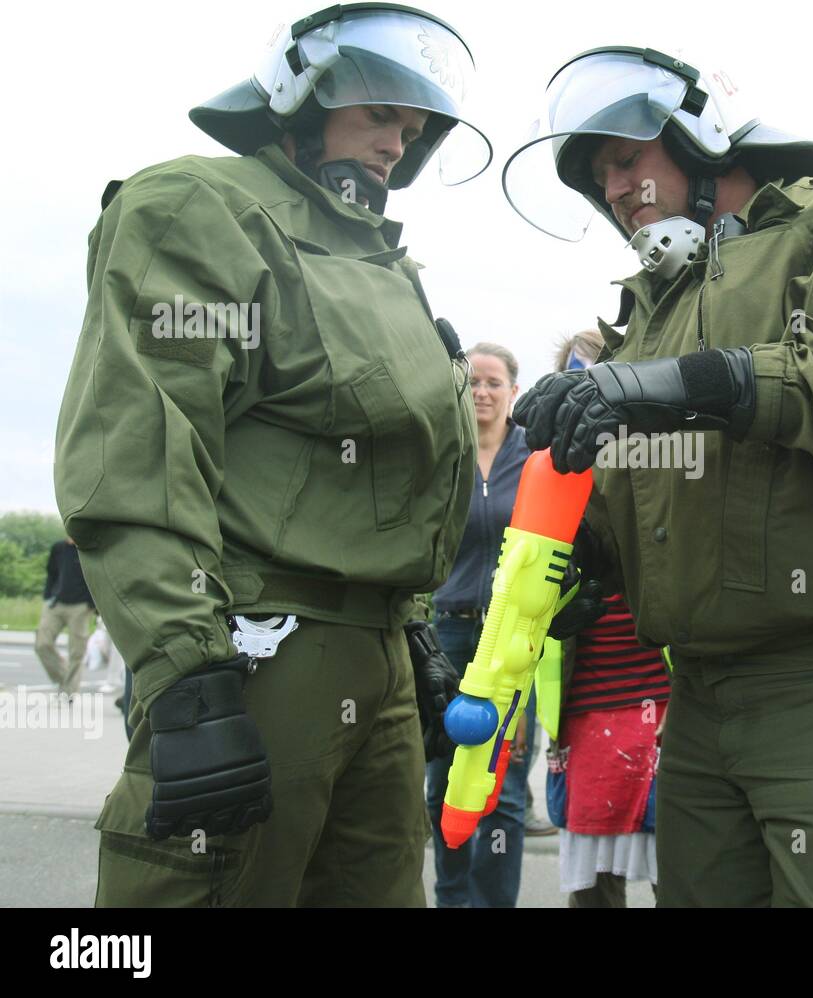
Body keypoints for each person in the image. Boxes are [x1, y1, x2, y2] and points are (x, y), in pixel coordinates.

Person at [505, 46, 813, 907]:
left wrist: (698, 382)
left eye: (626, 159)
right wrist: (587, 564)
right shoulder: (650, 310)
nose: (616, 191)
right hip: (698, 706)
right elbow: (659, 503)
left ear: (700, 136)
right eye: (599, 178)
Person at [54, 3, 488, 907]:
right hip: (256, 648)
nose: (396, 149)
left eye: (410, 132)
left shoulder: (384, 266)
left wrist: (404, 628)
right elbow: (138, 452)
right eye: (380, 117)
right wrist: (186, 676)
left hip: (377, 664)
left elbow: (370, 486)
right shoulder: (202, 207)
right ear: (299, 98)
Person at [538, 330, 670, 907]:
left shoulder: (664, 456)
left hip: (665, 700)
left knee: (685, 866)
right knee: (592, 887)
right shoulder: (549, 474)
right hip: (586, 707)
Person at [424, 342, 537, 907]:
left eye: (494, 382)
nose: (482, 393)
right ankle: (452, 899)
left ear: (514, 392)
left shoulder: (535, 456)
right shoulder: (446, 454)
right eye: (472, 383)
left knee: (505, 786)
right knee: (445, 779)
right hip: (449, 633)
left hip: (513, 642)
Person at [35, 538, 95, 696]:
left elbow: (97, 576)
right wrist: (48, 595)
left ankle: (68, 692)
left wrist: (91, 604)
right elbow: (51, 572)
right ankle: (64, 678)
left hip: (80, 607)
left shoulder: (89, 548)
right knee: (42, 644)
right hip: (56, 603)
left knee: (76, 651)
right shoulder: (58, 548)